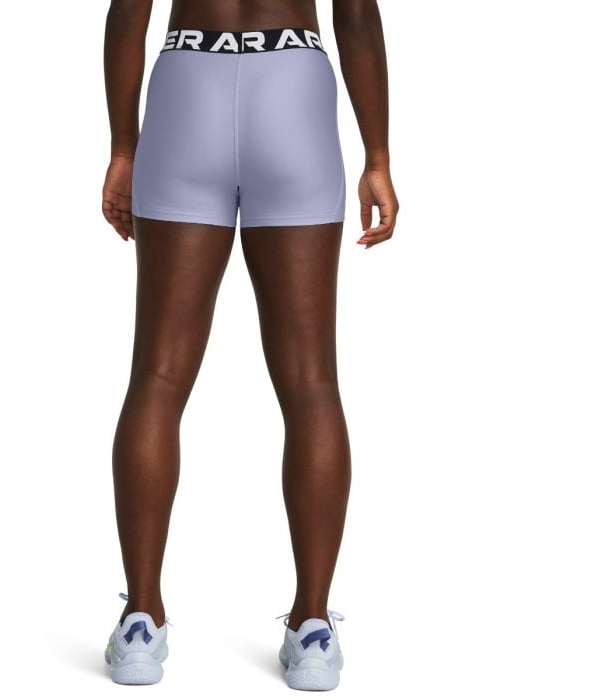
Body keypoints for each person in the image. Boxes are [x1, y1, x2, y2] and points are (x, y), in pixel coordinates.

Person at [101, 0, 399, 690]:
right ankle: (312, 628)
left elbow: (127, 11)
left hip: (188, 80)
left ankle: (141, 622)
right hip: (292, 80)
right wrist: (378, 155)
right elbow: (356, 14)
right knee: (311, 381)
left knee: (157, 376)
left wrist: (123, 148)